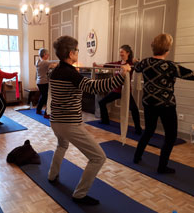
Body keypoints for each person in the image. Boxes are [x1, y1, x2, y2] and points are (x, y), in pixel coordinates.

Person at [48, 36, 131, 205]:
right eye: (77, 51)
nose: (78, 53)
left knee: (62, 145)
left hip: (55, 121)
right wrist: (121, 76)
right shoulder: (70, 72)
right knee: (98, 157)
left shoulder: (56, 70)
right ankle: (80, 194)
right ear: (71, 54)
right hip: (68, 124)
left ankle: (52, 175)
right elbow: (96, 88)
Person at [133, 33, 194, 174]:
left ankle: (136, 157)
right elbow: (191, 75)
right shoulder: (171, 66)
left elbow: (136, 67)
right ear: (168, 49)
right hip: (166, 105)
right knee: (171, 136)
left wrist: (136, 61)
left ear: (153, 47)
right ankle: (162, 167)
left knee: (148, 131)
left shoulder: (145, 62)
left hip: (148, 103)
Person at [96, 45, 142, 135]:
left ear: (127, 53)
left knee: (134, 109)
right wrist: (97, 65)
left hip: (126, 92)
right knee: (102, 102)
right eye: (120, 52)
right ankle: (105, 121)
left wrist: (136, 61)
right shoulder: (117, 63)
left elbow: (140, 67)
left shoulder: (131, 64)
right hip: (116, 91)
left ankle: (138, 129)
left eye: (122, 52)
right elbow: (107, 65)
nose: (120, 54)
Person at [35, 48, 57, 118]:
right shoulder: (44, 62)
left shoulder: (38, 62)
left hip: (39, 82)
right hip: (44, 82)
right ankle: (46, 113)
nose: (48, 56)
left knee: (43, 96)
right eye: (47, 54)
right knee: (48, 98)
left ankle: (38, 110)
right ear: (44, 55)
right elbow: (55, 65)